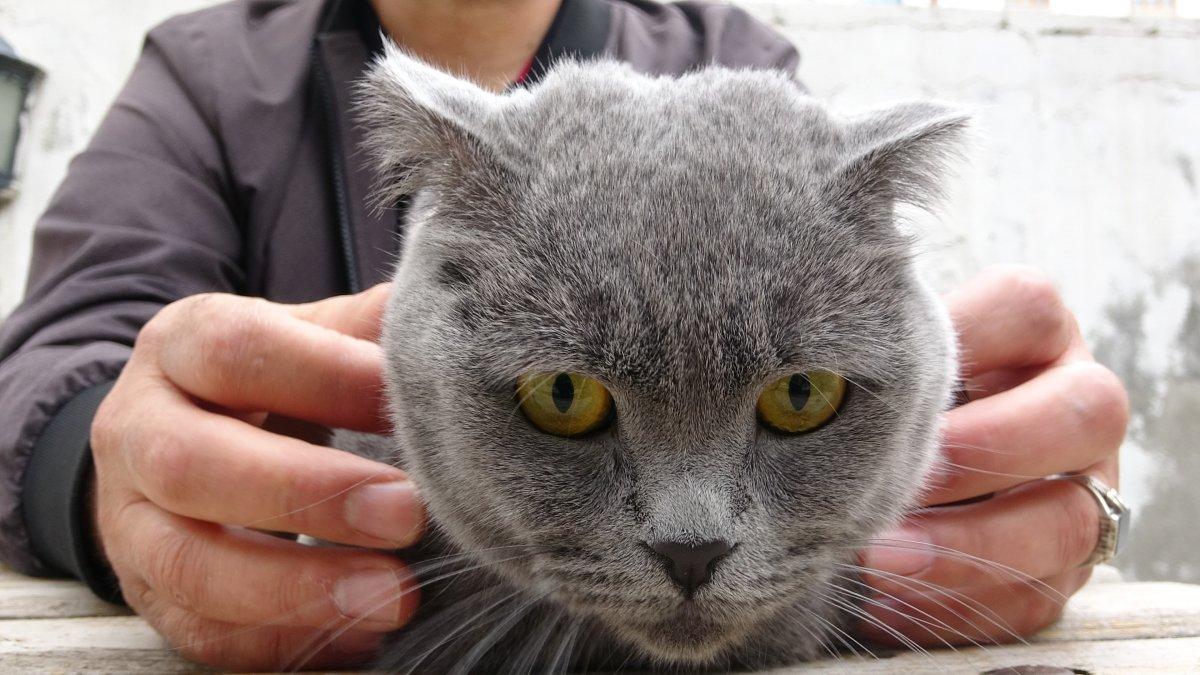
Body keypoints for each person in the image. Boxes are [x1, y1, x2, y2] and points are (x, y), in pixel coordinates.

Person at [0, 0, 1128, 669]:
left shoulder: (730, 50)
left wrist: (1010, 463)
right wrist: (108, 470)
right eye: (564, 397)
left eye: (797, 403)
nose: (694, 534)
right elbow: (55, 354)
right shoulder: (208, 76)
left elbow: (891, 343)